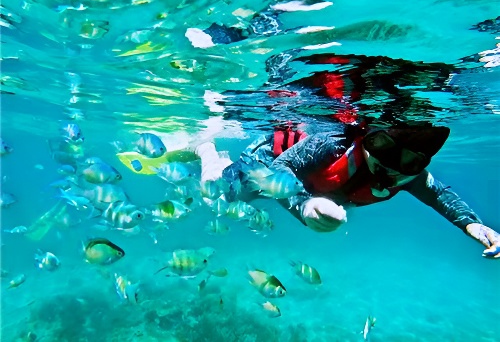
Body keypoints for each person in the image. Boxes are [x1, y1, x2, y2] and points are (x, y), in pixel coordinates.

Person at [195, 121, 500, 259]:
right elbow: (280, 168)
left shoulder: (408, 177)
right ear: (372, 136)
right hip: (266, 162)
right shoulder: (333, 143)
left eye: (406, 162)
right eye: (382, 149)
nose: (389, 167)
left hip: (305, 187)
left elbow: (441, 195)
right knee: (219, 197)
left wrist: (472, 224)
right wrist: (304, 205)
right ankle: (207, 150)